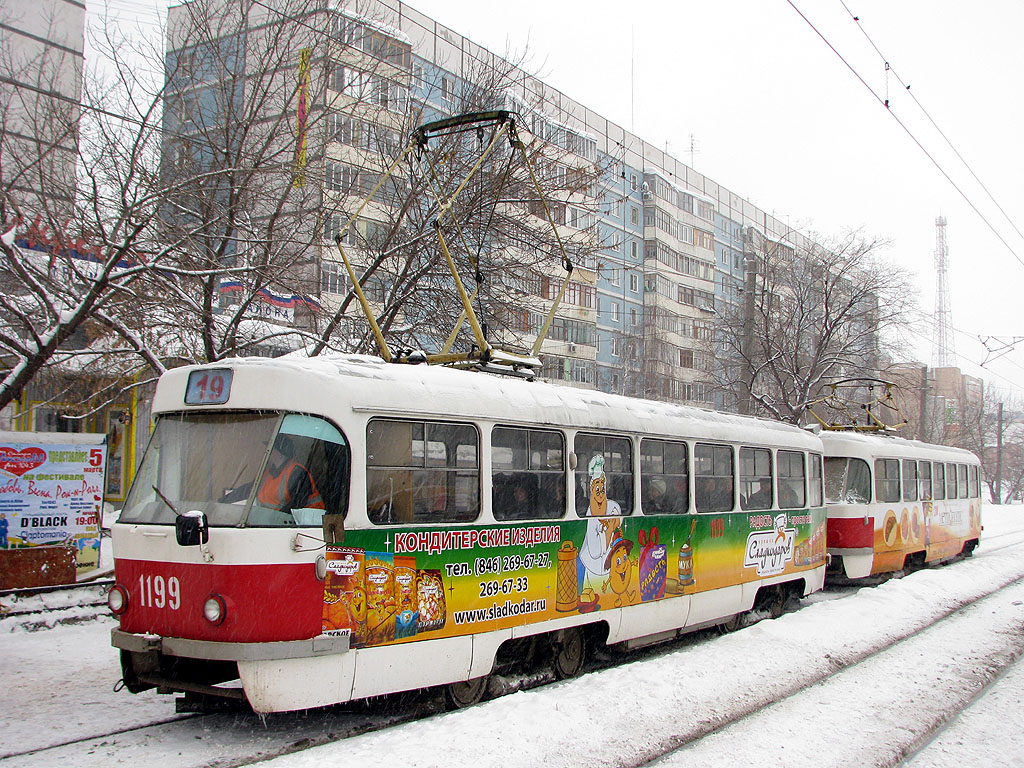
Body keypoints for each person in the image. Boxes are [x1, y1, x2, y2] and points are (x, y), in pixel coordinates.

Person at [257, 435, 325, 512]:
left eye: (270, 449)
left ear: (280, 453)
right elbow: (251, 488)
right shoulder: (268, 473)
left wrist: (275, 517)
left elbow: (297, 503)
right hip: (273, 520)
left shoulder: (297, 472)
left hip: (307, 520)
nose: (266, 452)